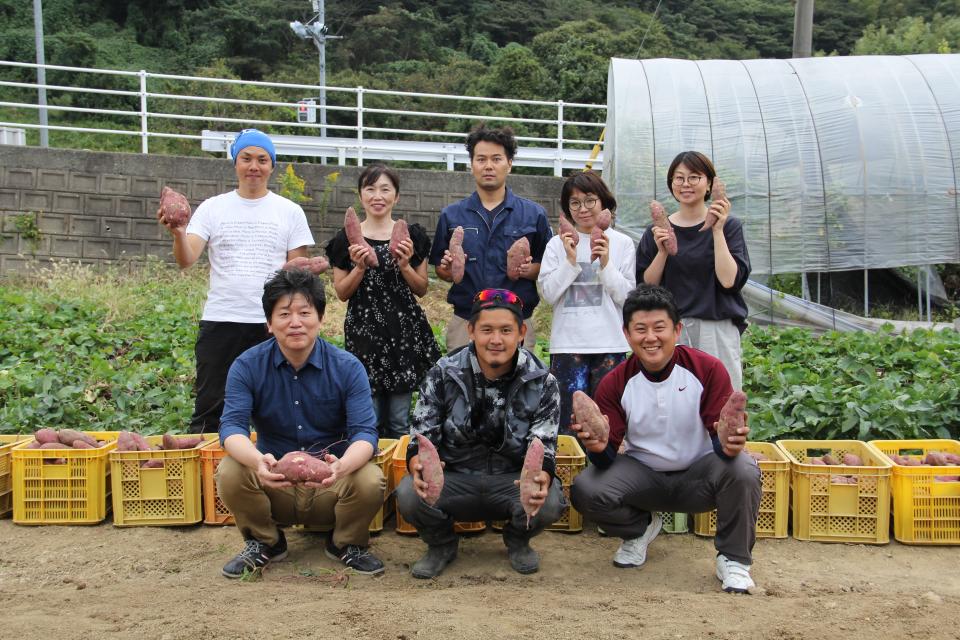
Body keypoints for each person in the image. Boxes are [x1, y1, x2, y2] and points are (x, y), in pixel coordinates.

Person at [569, 284, 761, 593]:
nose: (651, 338)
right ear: (627, 334)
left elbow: (720, 445)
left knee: (743, 469)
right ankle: (639, 530)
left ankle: (734, 559)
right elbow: (606, 458)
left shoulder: (707, 369)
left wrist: (729, 444)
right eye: (640, 329)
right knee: (587, 488)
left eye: (660, 328)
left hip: (698, 476)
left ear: (677, 329)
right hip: (643, 478)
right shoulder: (614, 382)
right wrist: (597, 446)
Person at [215, 268, 385, 578]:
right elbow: (231, 428)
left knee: (369, 478)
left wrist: (342, 466)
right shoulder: (247, 366)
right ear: (269, 323)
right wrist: (258, 463)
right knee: (230, 470)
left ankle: (345, 543)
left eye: (304, 312)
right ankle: (266, 541)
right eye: (284, 314)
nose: (295, 322)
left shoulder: (347, 367)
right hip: (275, 483)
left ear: (320, 319)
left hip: (330, 485)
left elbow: (365, 433)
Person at [157, 128, 317, 434]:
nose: (254, 166)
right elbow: (186, 259)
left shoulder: (290, 212)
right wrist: (177, 232)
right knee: (211, 408)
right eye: (246, 158)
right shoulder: (213, 207)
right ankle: (209, 474)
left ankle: (273, 473)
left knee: (280, 407)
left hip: (272, 323)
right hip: (222, 320)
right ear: (235, 163)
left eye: (261, 159)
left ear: (272, 166)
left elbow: (298, 275)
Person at [396, 288, 564, 578]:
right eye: (487, 329)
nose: (496, 340)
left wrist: (543, 476)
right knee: (410, 492)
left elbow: (545, 442)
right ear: (471, 331)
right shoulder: (444, 372)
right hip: (455, 478)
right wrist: (418, 464)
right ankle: (441, 545)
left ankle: (517, 539)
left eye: (505, 330)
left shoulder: (542, 380)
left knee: (550, 501)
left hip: (510, 480)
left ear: (521, 332)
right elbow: (422, 430)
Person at [325, 164, 441, 439]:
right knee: (370, 419)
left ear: (396, 196)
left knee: (400, 420)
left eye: (385, 189)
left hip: (403, 334)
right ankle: (373, 477)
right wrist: (360, 267)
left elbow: (422, 289)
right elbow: (342, 292)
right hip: (365, 335)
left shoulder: (412, 236)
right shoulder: (345, 239)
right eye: (370, 189)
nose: (378, 195)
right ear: (361, 195)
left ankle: (398, 477)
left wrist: (404, 264)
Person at [430, 123, 553, 352]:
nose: (488, 166)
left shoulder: (534, 214)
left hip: (515, 322)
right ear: (472, 164)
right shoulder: (452, 215)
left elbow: (547, 266)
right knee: (464, 385)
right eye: (481, 159)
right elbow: (441, 269)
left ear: (509, 164)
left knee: (518, 386)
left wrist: (528, 269)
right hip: (466, 322)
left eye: (496, 159)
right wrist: (448, 268)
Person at [636, 151, 751, 390]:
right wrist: (662, 252)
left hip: (716, 327)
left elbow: (729, 281)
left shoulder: (729, 226)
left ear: (708, 183)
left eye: (694, 177)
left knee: (721, 401)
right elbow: (647, 287)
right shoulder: (655, 231)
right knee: (673, 403)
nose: (685, 184)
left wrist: (717, 230)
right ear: (671, 184)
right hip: (670, 330)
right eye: (679, 178)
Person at [537, 170, 636, 434]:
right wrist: (570, 262)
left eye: (590, 200)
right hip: (568, 345)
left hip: (610, 344)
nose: (583, 209)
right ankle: (572, 473)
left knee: (609, 420)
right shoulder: (557, 245)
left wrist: (605, 263)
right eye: (575, 203)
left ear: (603, 202)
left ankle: (606, 473)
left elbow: (627, 298)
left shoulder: (622, 243)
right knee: (569, 424)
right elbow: (548, 294)